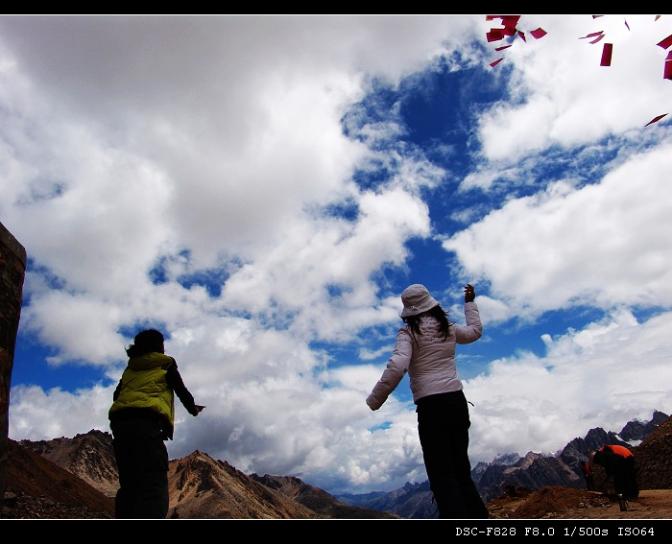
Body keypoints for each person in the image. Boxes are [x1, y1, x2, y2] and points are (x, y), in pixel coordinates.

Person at [366, 283, 488, 519]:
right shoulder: (448, 329)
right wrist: (470, 303)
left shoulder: (408, 334)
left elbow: (397, 366)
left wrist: (375, 399)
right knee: (461, 470)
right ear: (430, 303)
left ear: (409, 311)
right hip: (456, 402)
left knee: (442, 475)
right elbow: (475, 332)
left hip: (431, 408)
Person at [109, 329, 204, 518]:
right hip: (147, 425)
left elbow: (116, 395)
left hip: (120, 427)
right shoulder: (165, 364)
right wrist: (193, 409)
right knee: (154, 485)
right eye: (162, 343)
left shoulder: (131, 368)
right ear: (158, 346)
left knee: (129, 484)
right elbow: (181, 390)